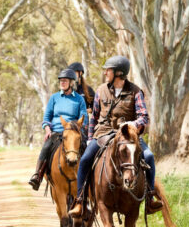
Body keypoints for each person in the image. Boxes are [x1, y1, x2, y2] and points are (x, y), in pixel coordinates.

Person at [68, 55, 162, 218]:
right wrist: (90, 138)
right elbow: (94, 117)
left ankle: (150, 198)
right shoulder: (100, 91)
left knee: (149, 156)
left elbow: (144, 117)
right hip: (104, 134)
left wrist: (133, 124)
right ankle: (80, 201)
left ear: (118, 73)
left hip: (128, 135)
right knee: (84, 160)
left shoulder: (135, 92)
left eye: (108, 70)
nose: (105, 73)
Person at [28, 68, 89, 191]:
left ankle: (89, 180)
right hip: (56, 131)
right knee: (46, 147)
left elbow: (84, 117)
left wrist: (79, 129)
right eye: (60, 81)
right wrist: (47, 130)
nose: (62, 83)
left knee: (86, 149)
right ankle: (37, 175)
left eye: (65, 81)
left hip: (73, 131)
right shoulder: (54, 98)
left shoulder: (79, 99)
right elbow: (46, 118)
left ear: (71, 82)